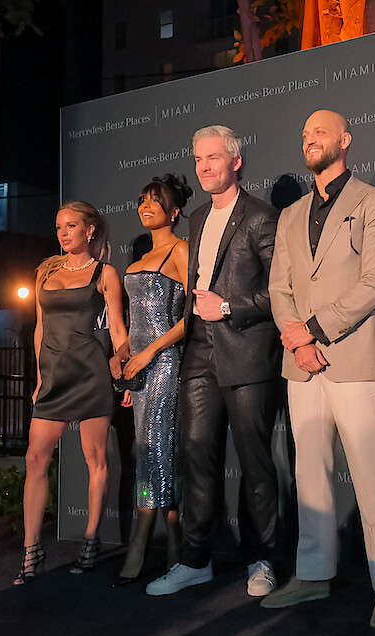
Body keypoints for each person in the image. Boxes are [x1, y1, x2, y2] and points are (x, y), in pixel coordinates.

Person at [264, 110, 375, 628]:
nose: (309, 139)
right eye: (304, 133)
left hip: (355, 357)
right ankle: (313, 574)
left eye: (319, 132)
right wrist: (296, 338)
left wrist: (315, 331)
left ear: (345, 140)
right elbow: (280, 287)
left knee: (371, 473)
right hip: (301, 364)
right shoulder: (291, 214)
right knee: (310, 474)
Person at [145, 125, 282, 598]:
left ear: (236, 162)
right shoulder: (198, 217)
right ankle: (196, 559)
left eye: (213, 158)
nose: (203, 167)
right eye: (198, 159)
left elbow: (279, 292)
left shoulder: (263, 217)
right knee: (196, 455)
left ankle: (261, 558)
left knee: (255, 461)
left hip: (246, 349)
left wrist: (227, 307)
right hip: (199, 350)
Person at [17, 201, 128, 585]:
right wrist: (38, 379)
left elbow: (117, 329)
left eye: (71, 226)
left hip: (90, 374)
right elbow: (39, 329)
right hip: (53, 380)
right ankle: (32, 550)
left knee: (95, 460)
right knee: (35, 459)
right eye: (59, 227)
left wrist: (125, 369)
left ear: (90, 231)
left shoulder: (105, 273)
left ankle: (90, 540)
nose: (63, 233)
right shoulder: (45, 272)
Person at [113, 174, 193, 584]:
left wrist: (148, 352)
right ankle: (175, 543)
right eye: (142, 200)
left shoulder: (180, 252)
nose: (146, 208)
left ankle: (141, 544)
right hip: (139, 373)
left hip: (164, 366)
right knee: (152, 453)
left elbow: (187, 319)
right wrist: (124, 357)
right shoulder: (136, 262)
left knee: (154, 452)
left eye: (155, 202)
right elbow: (132, 324)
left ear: (174, 211)